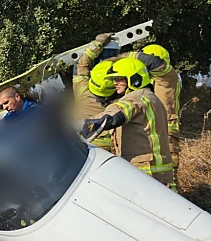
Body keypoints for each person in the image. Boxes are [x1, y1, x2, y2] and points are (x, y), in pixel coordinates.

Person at [81, 59, 174, 188]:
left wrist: (82, 125)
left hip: (147, 173)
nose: (115, 83)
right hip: (154, 173)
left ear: (134, 79)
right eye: (114, 79)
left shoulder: (138, 97)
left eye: (120, 79)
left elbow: (115, 114)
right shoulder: (149, 97)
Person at [72, 33, 116, 150]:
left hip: (83, 145)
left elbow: (81, 65)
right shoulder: (120, 97)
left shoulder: (82, 88)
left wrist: (97, 44)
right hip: (110, 150)